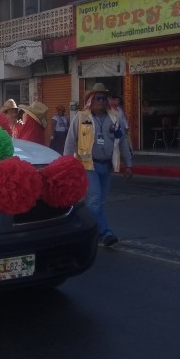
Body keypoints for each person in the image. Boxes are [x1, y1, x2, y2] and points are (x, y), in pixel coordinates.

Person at [63, 83, 133, 248]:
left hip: (106, 165)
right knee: (94, 199)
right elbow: (70, 142)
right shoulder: (80, 118)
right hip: (87, 165)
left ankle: (82, 227)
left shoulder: (115, 118)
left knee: (99, 201)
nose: (101, 101)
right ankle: (101, 232)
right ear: (90, 100)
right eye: (98, 98)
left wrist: (128, 164)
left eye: (104, 98)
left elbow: (122, 142)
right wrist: (65, 166)